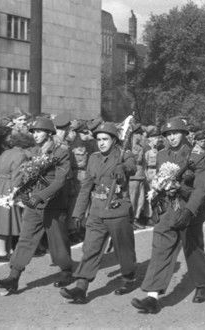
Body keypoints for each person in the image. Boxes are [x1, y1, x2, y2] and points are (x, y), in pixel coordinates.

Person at [131, 117, 205, 314]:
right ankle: (152, 297)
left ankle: (201, 285)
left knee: (193, 250)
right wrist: (156, 204)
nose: (172, 137)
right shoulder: (161, 154)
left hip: (189, 209)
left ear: (184, 134)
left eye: (175, 133)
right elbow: (159, 182)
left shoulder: (197, 154)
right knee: (160, 249)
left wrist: (189, 210)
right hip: (168, 210)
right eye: (167, 134)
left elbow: (201, 186)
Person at [0, 117, 74, 294]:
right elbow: (30, 175)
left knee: (57, 240)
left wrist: (41, 196)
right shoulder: (35, 152)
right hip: (34, 204)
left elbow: (60, 181)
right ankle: (13, 277)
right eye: (33, 132)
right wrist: (17, 191)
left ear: (49, 133)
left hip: (54, 205)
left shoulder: (62, 152)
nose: (35, 135)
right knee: (25, 238)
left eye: (39, 131)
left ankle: (67, 270)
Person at [60, 122, 138, 303]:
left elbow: (132, 166)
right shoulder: (93, 158)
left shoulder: (124, 155)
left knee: (123, 249)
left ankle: (128, 277)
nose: (101, 143)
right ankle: (81, 287)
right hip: (96, 210)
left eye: (105, 139)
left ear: (114, 140)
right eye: (99, 139)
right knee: (90, 249)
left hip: (117, 210)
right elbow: (86, 186)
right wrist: (78, 212)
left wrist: (123, 168)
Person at [0, 133, 34, 262]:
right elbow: (18, 175)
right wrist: (17, 191)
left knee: (4, 218)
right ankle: (2, 251)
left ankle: (7, 249)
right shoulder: (21, 155)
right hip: (9, 186)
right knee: (6, 219)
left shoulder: (5, 152)